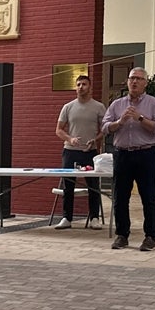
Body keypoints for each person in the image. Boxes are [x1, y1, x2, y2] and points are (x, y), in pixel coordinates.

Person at [102, 67, 155, 251]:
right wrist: (119, 122)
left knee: (148, 196)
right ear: (127, 82)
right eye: (131, 78)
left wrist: (140, 118)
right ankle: (122, 235)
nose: (134, 82)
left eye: (139, 79)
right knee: (120, 196)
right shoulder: (117, 104)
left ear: (146, 83)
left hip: (145, 153)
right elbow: (105, 127)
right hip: (122, 154)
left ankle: (151, 236)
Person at [54, 74, 106, 230]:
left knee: (93, 185)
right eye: (78, 84)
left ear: (90, 87)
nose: (81, 87)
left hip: (90, 151)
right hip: (70, 151)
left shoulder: (98, 107)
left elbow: (104, 130)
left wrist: (95, 139)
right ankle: (66, 218)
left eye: (84, 84)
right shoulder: (68, 107)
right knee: (68, 184)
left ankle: (94, 218)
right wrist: (70, 139)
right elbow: (58, 130)